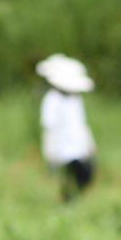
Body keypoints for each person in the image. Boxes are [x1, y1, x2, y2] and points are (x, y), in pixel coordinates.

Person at [36, 55, 97, 198]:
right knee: (72, 178)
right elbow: (49, 128)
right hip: (63, 149)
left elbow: (81, 124)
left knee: (85, 175)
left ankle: (72, 200)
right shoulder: (52, 100)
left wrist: (90, 144)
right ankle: (67, 201)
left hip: (78, 146)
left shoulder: (76, 99)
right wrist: (50, 152)